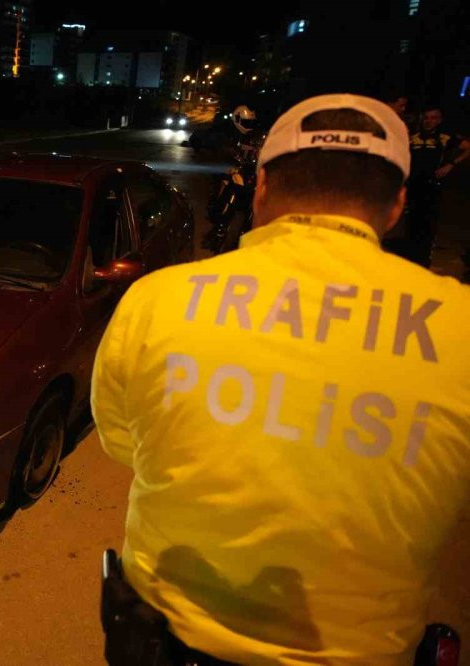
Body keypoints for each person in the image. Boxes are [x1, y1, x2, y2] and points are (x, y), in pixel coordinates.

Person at [93, 94, 470, 664]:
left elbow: (123, 443)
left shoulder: (158, 299)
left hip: (165, 637)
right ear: (396, 205)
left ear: (263, 186)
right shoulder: (459, 329)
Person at [400, 106, 470, 267]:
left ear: (439, 120)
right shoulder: (413, 137)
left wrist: (451, 164)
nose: (429, 121)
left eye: (433, 118)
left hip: (432, 186)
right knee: (412, 221)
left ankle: (424, 259)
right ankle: (410, 255)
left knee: (428, 222)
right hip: (413, 184)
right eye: (426, 118)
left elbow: (468, 147)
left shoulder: (445, 138)